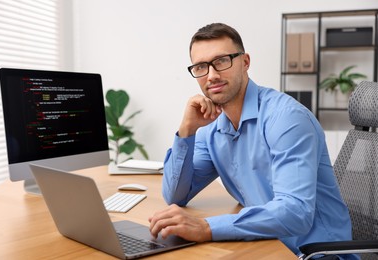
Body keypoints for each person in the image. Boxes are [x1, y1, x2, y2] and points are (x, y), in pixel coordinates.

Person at [148, 23, 356, 259]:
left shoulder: (286, 118)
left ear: (245, 62)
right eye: (201, 67)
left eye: (222, 61)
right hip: (266, 245)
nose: (212, 75)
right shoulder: (211, 128)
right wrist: (187, 130)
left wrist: (207, 228)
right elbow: (176, 196)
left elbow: (295, 212)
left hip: (314, 253)